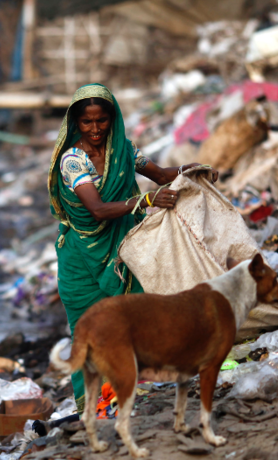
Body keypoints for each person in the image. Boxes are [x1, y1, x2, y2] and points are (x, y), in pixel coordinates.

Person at [47, 83, 218, 412]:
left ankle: (126, 392)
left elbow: (161, 175)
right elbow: (97, 209)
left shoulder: (122, 150)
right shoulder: (73, 161)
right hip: (81, 258)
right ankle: (94, 406)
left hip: (120, 251)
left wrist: (195, 170)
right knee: (88, 329)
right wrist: (146, 201)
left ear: (113, 119)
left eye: (102, 121)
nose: (95, 129)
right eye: (87, 122)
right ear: (76, 124)